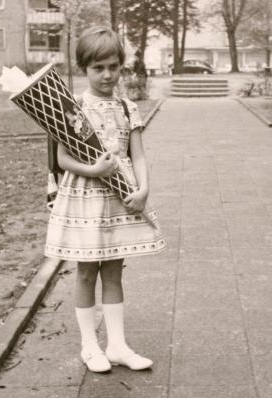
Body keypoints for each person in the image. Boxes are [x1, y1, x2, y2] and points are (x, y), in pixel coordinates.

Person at [44, 26, 166, 373]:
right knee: (86, 272)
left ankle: (117, 345)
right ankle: (89, 346)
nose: (107, 75)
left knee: (114, 271)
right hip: (86, 196)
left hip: (120, 198)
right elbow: (62, 159)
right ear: (84, 67)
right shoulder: (73, 108)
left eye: (113, 66)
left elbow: (138, 155)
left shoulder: (128, 108)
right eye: (98, 68)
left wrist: (143, 190)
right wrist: (94, 170)